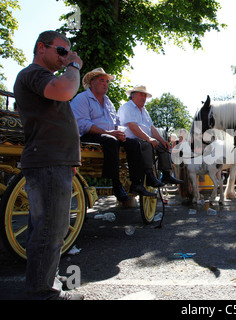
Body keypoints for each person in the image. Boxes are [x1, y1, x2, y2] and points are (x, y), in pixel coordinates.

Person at [13, 30, 84, 300]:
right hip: (48, 161)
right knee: (51, 231)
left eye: (68, 53)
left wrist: (70, 159)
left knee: (45, 229)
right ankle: (44, 293)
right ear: (41, 48)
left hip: (54, 161)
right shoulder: (34, 74)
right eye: (62, 51)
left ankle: (43, 285)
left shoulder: (43, 78)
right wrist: (74, 66)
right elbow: (66, 90)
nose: (66, 57)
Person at [71, 69, 154, 201]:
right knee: (111, 141)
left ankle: (136, 183)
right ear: (92, 82)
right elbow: (83, 124)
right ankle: (116, 184)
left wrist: (118, 131)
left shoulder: (108, 101)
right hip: (88, 135)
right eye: (102, 81)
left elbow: (116, 121)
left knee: (134, 144)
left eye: (107, 81)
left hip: (109, 135)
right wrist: (109, 133)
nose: (106, 84)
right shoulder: (82, 99)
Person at [117, 85, 183, 187]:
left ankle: (166, 174)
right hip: (131, 140)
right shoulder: (127, 108)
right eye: (141, 95)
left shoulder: (144, 111)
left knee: (163, 146)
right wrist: (149, 139)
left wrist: (162, 140)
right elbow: (133, 127)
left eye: (145, 95)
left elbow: (152, 128)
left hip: (144, 139)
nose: (144, 98)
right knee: (147, 145)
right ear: (133, 96)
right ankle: (149, 175)